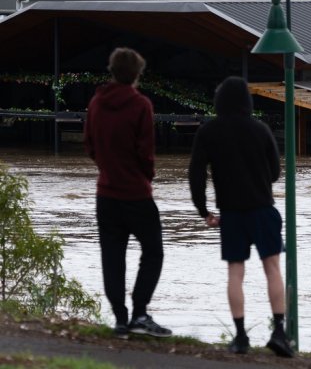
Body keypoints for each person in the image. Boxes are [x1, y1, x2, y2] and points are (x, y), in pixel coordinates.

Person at [188, 76, 293, 357]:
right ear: (247, 101)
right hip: (262, 209)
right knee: (272, 269)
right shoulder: (260, 130)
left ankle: (240, 336)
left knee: (236, 272)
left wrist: (203, 211)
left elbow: (196, 174)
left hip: (231, 214)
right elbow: (274, 173)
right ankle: (280, 333)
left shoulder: (208, 132)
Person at [83, 47, 172, 339]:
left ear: (112, 70)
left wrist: (107, 169)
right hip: (136, 194)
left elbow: (90, 145)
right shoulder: (140, 105)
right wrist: (145, 177)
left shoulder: (96, 103)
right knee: (154, 252)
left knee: (112, 256)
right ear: (136, 74)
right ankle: (140, 312)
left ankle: (120, 320)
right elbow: (146, 152)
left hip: (105, 194)